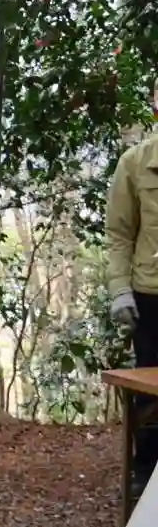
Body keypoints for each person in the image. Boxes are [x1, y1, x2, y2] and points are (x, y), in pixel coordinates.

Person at [106, 132, 158, 501]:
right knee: (151, 395)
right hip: (152, 296)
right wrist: (120, 290)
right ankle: (147, 475)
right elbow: (119, 233)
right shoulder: (136, 162)